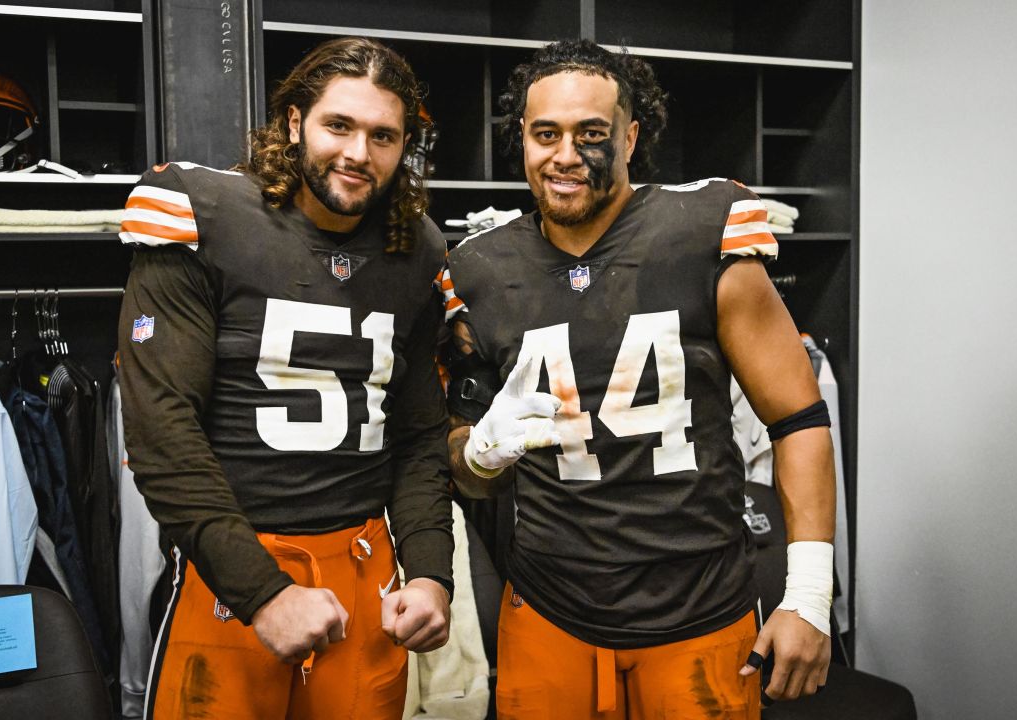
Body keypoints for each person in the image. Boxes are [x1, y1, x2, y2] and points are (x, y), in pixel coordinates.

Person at [440, 39, 837, 719]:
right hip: (546, 607)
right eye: (545, 134)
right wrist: (476, 454)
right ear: (522, 141)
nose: (565, 154)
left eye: (590, 134)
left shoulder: (701, 231)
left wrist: (807, 596)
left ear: (629, 135)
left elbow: (797, 417)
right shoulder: (478, 269)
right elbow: (463, 466)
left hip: (699, 609)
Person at [116, 37, 455, 720]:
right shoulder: (204, 213)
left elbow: (419, 435)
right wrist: (262, 592)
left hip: (366, 570)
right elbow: (162, 430)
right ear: (295, 122)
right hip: (232, 571)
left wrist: (430, 573)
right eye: (340, 125)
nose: (360, 152)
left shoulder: (417, 248)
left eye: (384, 135)